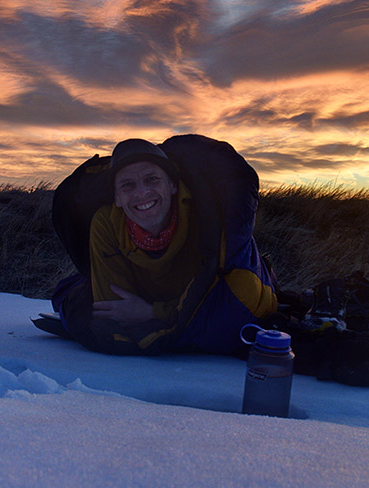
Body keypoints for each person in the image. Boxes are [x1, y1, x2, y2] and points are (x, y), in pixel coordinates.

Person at [50, 136, 278, 356]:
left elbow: (216, 301)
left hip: (226, 286)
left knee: (238, 307)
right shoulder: (106, 223)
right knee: (76, 304)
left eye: (152, 179)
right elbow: (114, 310)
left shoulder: (205, 216)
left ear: (172, 185)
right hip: (165, 297)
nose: (141, 193)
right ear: (117, 198)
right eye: (128, 185)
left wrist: (151, 313)